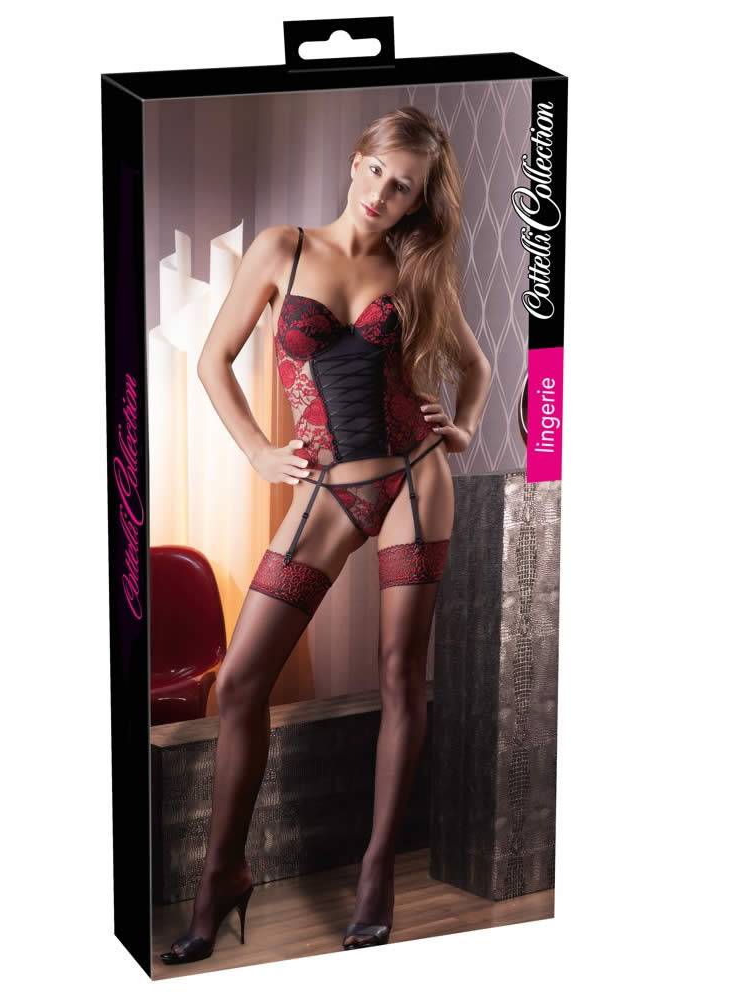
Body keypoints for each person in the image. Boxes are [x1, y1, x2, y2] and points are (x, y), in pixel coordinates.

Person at [161, 106, 491, 964]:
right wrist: (258, 451)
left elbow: (477, 365)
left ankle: (377, 873)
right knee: (241, 681)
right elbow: (213, 360)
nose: (384, 194)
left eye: (404, 187)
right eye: (377, 171)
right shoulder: (284, 247)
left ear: (418, 200)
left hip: (415, 480)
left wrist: (459, 429)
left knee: (400, 676)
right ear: (355, 162)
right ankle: (221, 874)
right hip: (328, 493)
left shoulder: (413, 268)